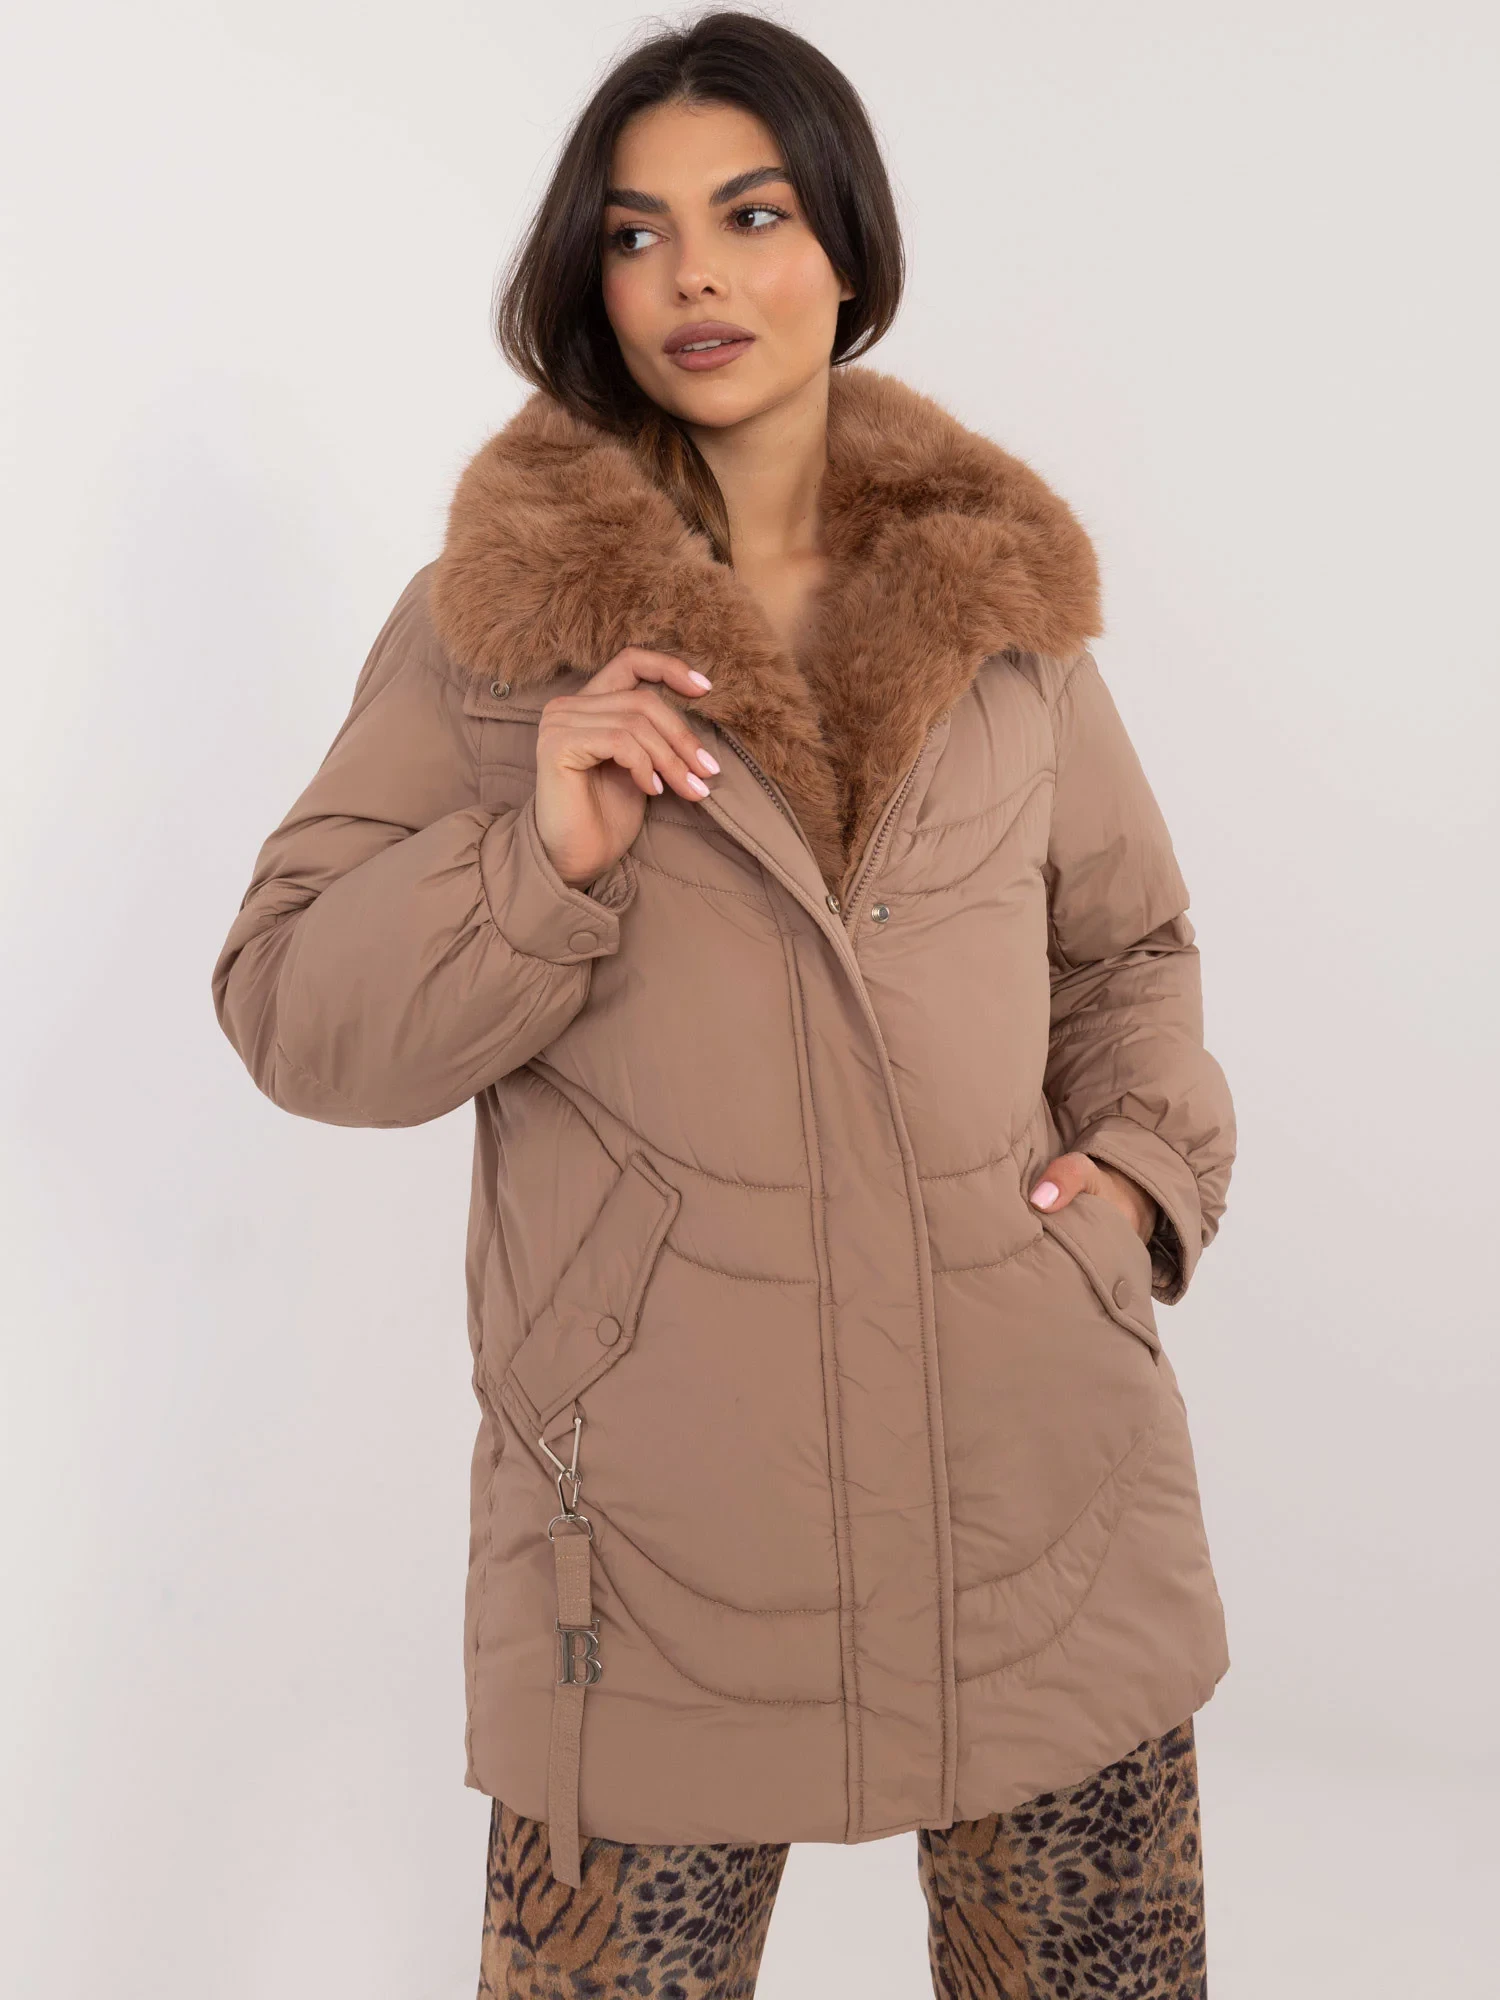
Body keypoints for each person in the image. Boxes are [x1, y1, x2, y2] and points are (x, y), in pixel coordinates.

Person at [211, 12, 1235, 1995]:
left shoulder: (1003, 611)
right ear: (589, 277)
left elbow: (1128, 948)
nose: (694, 274)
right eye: (637, 230)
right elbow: (287, 1006)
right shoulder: (494, 634)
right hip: (651, 1549)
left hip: (1042, 1497)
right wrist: (535, 859)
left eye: (752, 215)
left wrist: (1134, 1182)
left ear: (846, 247)